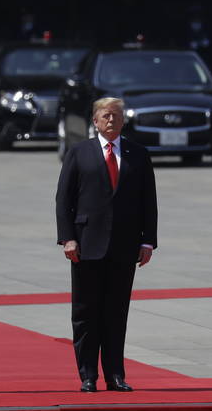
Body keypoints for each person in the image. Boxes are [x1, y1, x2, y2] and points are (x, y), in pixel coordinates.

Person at [55, 97, 158, 392]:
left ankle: (115, 374)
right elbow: (64, 200)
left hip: (124, 246)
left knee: (116, 312)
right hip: (86, 245)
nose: (110, 120)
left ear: (123, 120)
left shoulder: (138, 154)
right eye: (105, 116)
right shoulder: (79, 153)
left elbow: (147, 200)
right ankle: (88, 374)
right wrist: (68, 237)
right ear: (95, 121)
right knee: (86, 312)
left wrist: (148, 240)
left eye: (115, 115)